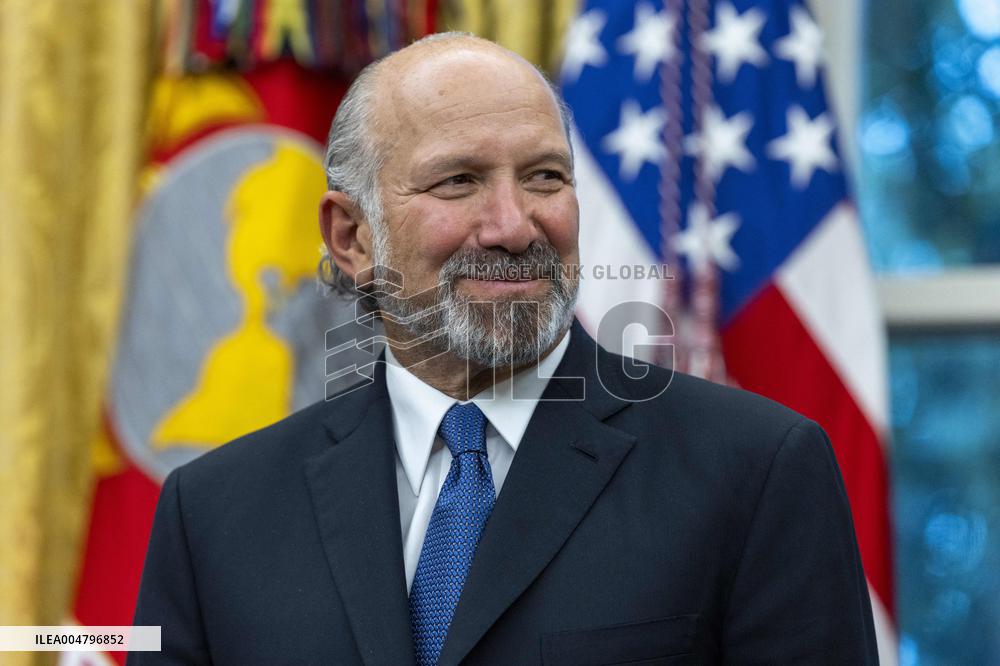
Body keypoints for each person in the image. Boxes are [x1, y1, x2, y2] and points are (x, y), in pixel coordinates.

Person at [130, 33, 878, 665]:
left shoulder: (757, 473)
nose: (514, 227)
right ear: (352, 238)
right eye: (458, 182)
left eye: (545, 177)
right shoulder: (212, 516)